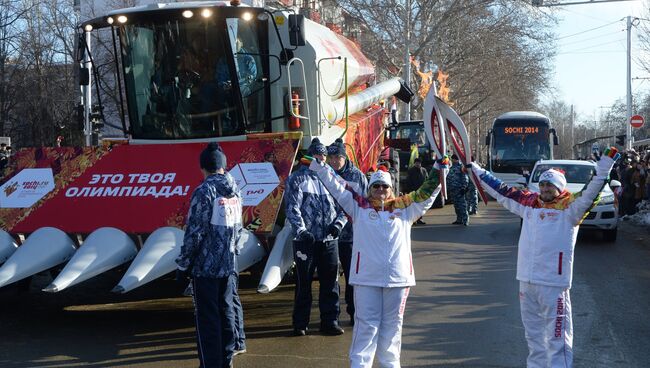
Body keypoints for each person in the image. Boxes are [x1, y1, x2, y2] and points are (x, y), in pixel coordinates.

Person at [468, 147, 619, 368]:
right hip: (527, 282)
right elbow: (502, 190)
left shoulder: (571, 209)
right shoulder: (529, 205)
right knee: (533, 336)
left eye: (550, 185)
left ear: (559, 188)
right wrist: (477, 170)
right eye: (543, 184)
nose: (545, 188)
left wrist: (605, 165)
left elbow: (592, 190)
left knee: (558, 339)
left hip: (553, 284)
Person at [306, 154, 445, 368]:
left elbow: (426, 193)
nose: (381, 190)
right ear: (370, 188)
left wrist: (439, 169)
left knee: (392, 327)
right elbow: (337, 185)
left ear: (391, 188)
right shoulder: (359, 207)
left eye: (385, 186)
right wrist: (319, 166)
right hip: (366, 279)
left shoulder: (405, 208)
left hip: (398, 279)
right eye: (376, 186)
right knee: (366, 326)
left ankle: (391, 365)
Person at [176, 142, 243, 368]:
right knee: (227, 313)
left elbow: (194, 233)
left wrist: (183, 265)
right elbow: (239, 230)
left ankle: (210, 364)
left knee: (207, 320)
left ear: (203, 167)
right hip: (228, 265)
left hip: (205, 269)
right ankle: (226, 361)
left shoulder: (204, 191)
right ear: (223, 166)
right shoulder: (236, 191)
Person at [285, 138, 346, 336]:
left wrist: (338, 225)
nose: (320, 160)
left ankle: (330, 321)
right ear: (310, 156)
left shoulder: (332, 178)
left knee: (330, 283)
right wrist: (301, 231)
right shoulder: (297, 178)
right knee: (303, 284)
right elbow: (292, 208)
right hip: (306, 242)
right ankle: (300, 323)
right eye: (317, 156)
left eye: (323, 157)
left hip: (329, 240)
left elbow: (345, 206)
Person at [326, 138, 368, 326]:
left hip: (351, 236)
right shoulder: (325, 175)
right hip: (329, 236)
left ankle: (354, 312)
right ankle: (332, 317)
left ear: (344, 157)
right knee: (330, 278)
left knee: (353, 278)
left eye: (338, 157)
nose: (334, 161)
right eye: (331, 157)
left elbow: (366, 205)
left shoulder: (357, 176)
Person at [405, 157, 428, 225]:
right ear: (414, 163)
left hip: (422, 192)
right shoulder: (411, 171)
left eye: (419, 163)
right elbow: (408, 181)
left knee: (421, 206)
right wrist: (408, 191)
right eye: (416, 163)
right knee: (414, 206)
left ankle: (420, 219)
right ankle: (414, 220)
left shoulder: (424, 170)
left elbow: (427, 180)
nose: (418, 164)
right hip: (413, 192)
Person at [448, 154, 469, 225]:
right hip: (452, 189)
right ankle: (459, 219)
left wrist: (464, 187)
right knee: (456, 206)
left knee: (462, 205)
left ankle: (465, 220)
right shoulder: (451, 168)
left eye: (453, 159)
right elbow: (449, 178)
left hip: (459, 189)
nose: (452, 160)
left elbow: (465, 177)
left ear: (455, 159)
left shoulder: (461, 167)